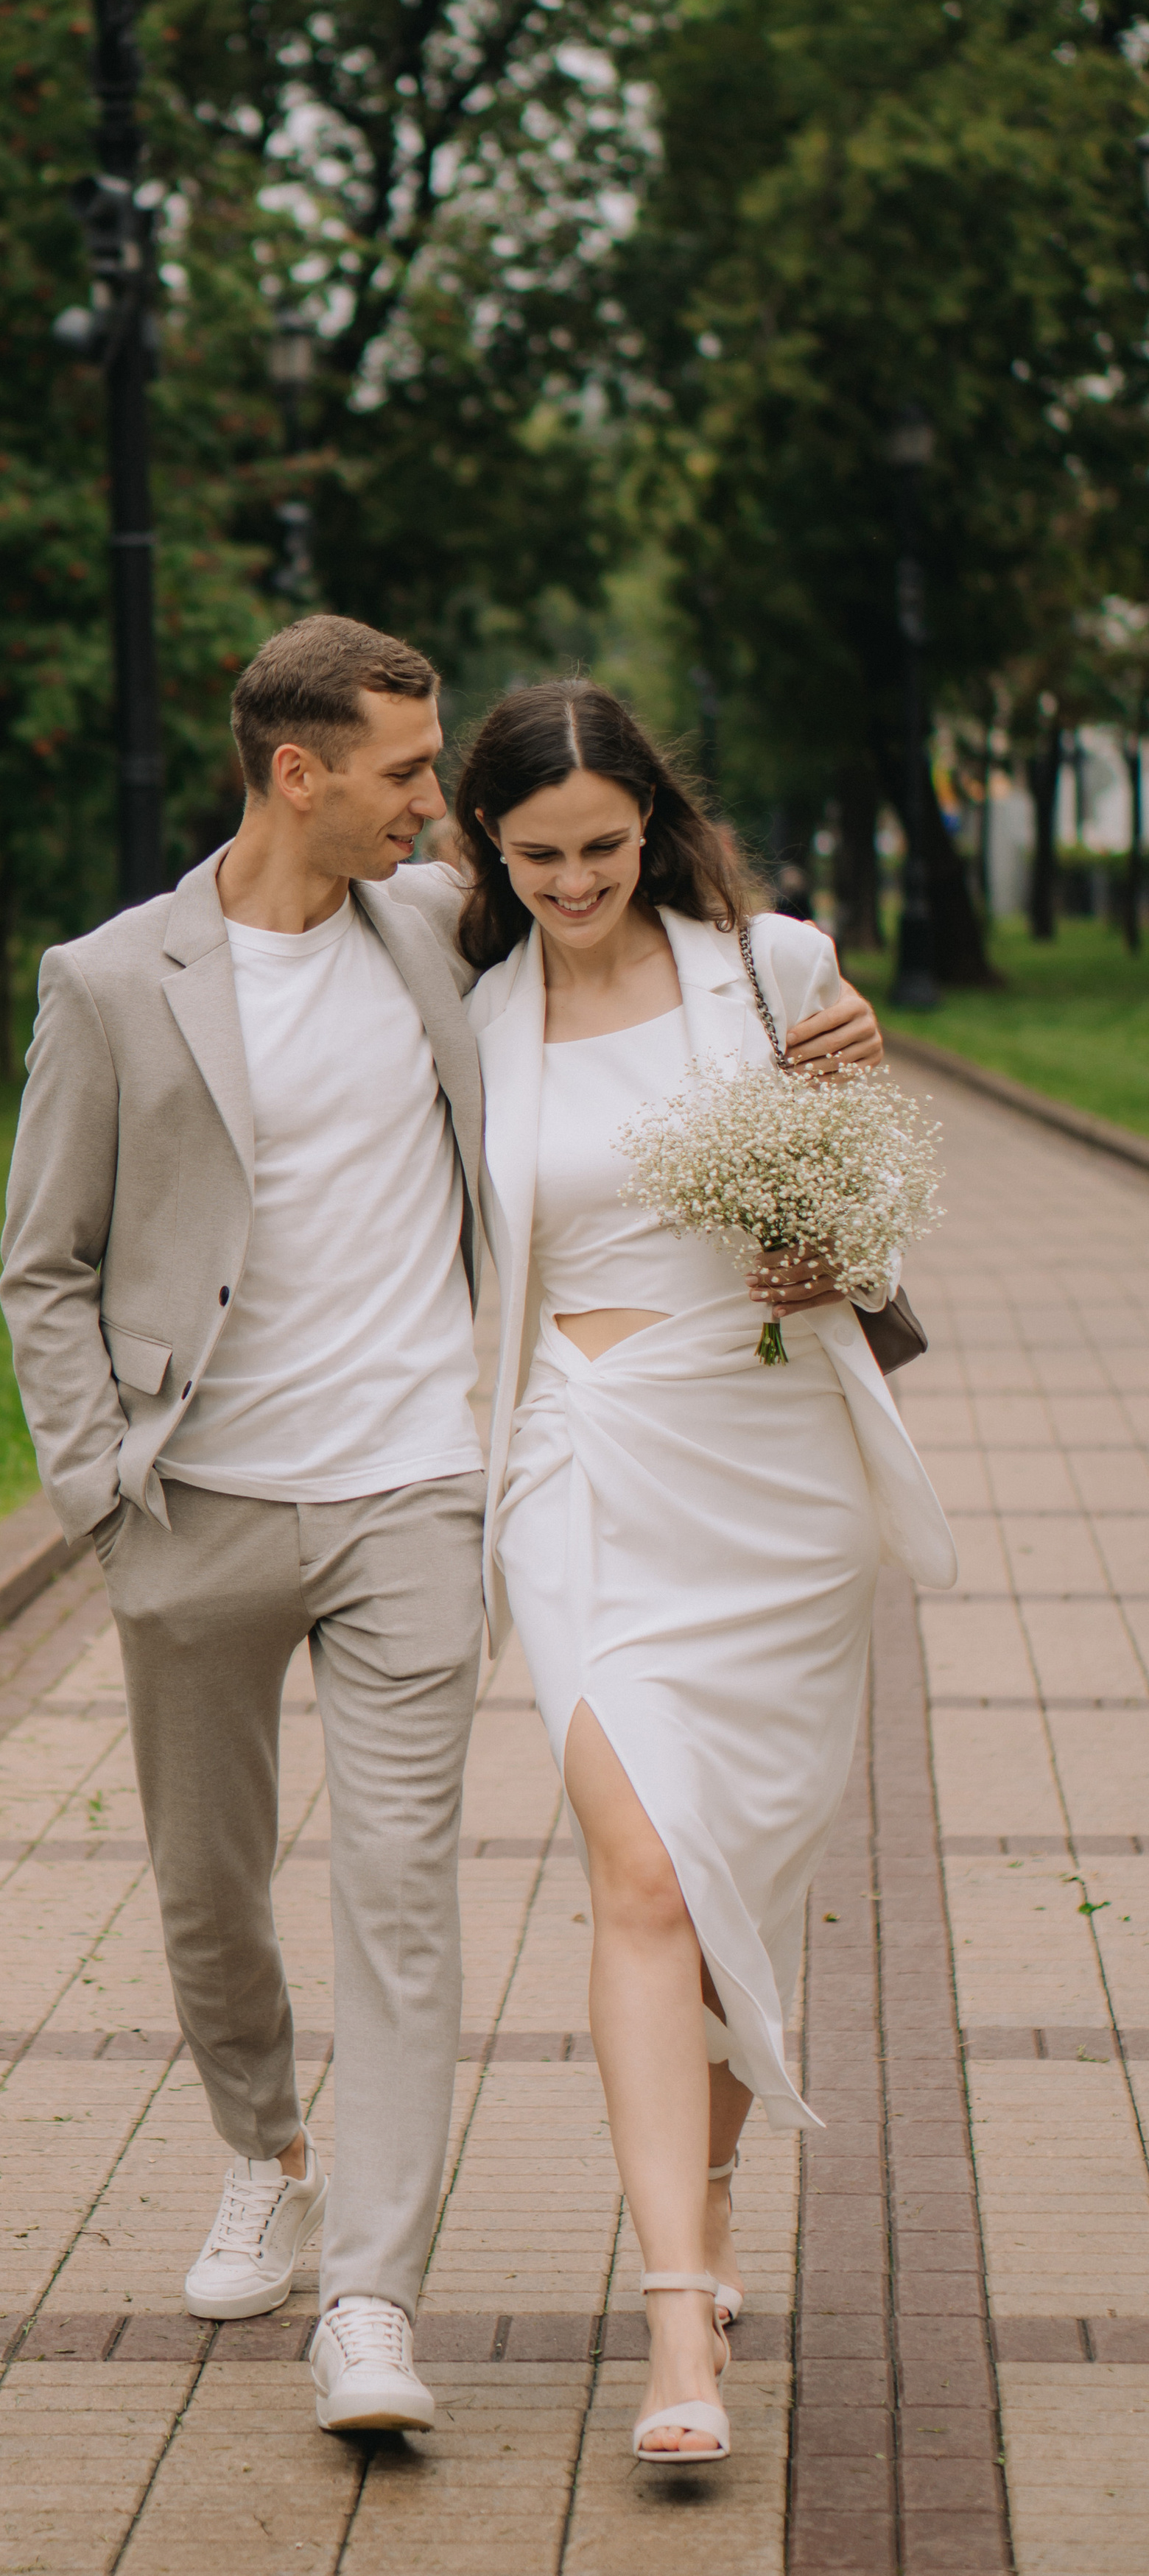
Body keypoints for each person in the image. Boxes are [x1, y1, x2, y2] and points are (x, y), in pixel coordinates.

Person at [0, 616, 885, 2442]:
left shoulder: (434, 934)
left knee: (404, 1904)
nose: (448, 818)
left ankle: (369, 2305)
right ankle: (267, 2142)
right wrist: (100, 1494)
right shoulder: (109, 979)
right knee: (206, 1894)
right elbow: (42, 1263)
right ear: (294, 774)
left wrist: (829, 1028)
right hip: (199, 1503)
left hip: (419, 1486)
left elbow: (667, 957)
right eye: (409, 777)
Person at [454, 680, 956, 2465]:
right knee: (644, 1870)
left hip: (770, 1479)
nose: (574, 881)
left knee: (729, 1870)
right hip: (575, 1460)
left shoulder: (771, 967)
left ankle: (711, 2208)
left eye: (602, 847)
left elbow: (868, 1209)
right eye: (536, 857)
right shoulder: (468, 1011)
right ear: (484, 849)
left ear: (648, 826)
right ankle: (680, 2329)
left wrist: (830, 1245)